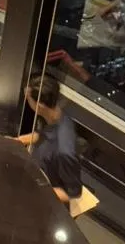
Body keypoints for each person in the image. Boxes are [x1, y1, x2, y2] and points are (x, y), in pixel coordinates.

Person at [18, 73, 82, 204]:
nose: (27, 101)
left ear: (40, 105)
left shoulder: (64, 151)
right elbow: (43, 135)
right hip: (34, 169)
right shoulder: (56, 115)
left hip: (40, 193)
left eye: (28, 99)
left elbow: (73, 194)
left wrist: (33, 189)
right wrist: (15, 141)